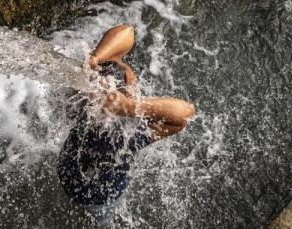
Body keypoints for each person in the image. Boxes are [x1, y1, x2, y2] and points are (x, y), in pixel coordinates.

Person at [57, 25, 195, 224]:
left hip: (66, 172)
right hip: (97, 200)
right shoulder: (125, 136)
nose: (135, 82)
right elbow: (185, 113)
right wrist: (130, 107)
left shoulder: (81, 100)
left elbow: (127, 31)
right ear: (120, 103)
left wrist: (94, 59)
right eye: (132, 84)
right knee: (100, 220)